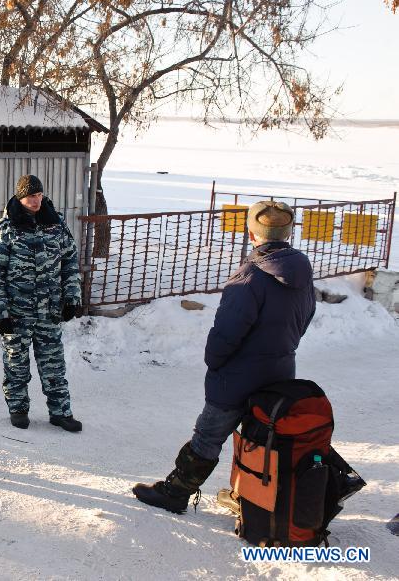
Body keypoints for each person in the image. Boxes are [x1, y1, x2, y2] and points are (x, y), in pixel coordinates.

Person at [133, 201, 316, 513]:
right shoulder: (300, 271)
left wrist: (214, 360)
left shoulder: (251, 276)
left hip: (238, 377)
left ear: (251, 233)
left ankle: (176, 493)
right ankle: (252, 494)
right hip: (281, 372)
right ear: (288, 233)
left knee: (208, 435)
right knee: (261, 438)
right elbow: (305, 317)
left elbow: (227, 332)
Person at [0, 174, 82, 432]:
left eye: (39, 195)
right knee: (16, 363)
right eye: (30, 197)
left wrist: (72, 296)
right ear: (20, 197)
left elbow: (70, 261)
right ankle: (18, 409)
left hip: (49, 311)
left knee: (54, 364)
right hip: (17, 313)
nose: (36, 201)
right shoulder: (4, 229)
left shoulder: (56, 224)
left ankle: (61, 413)